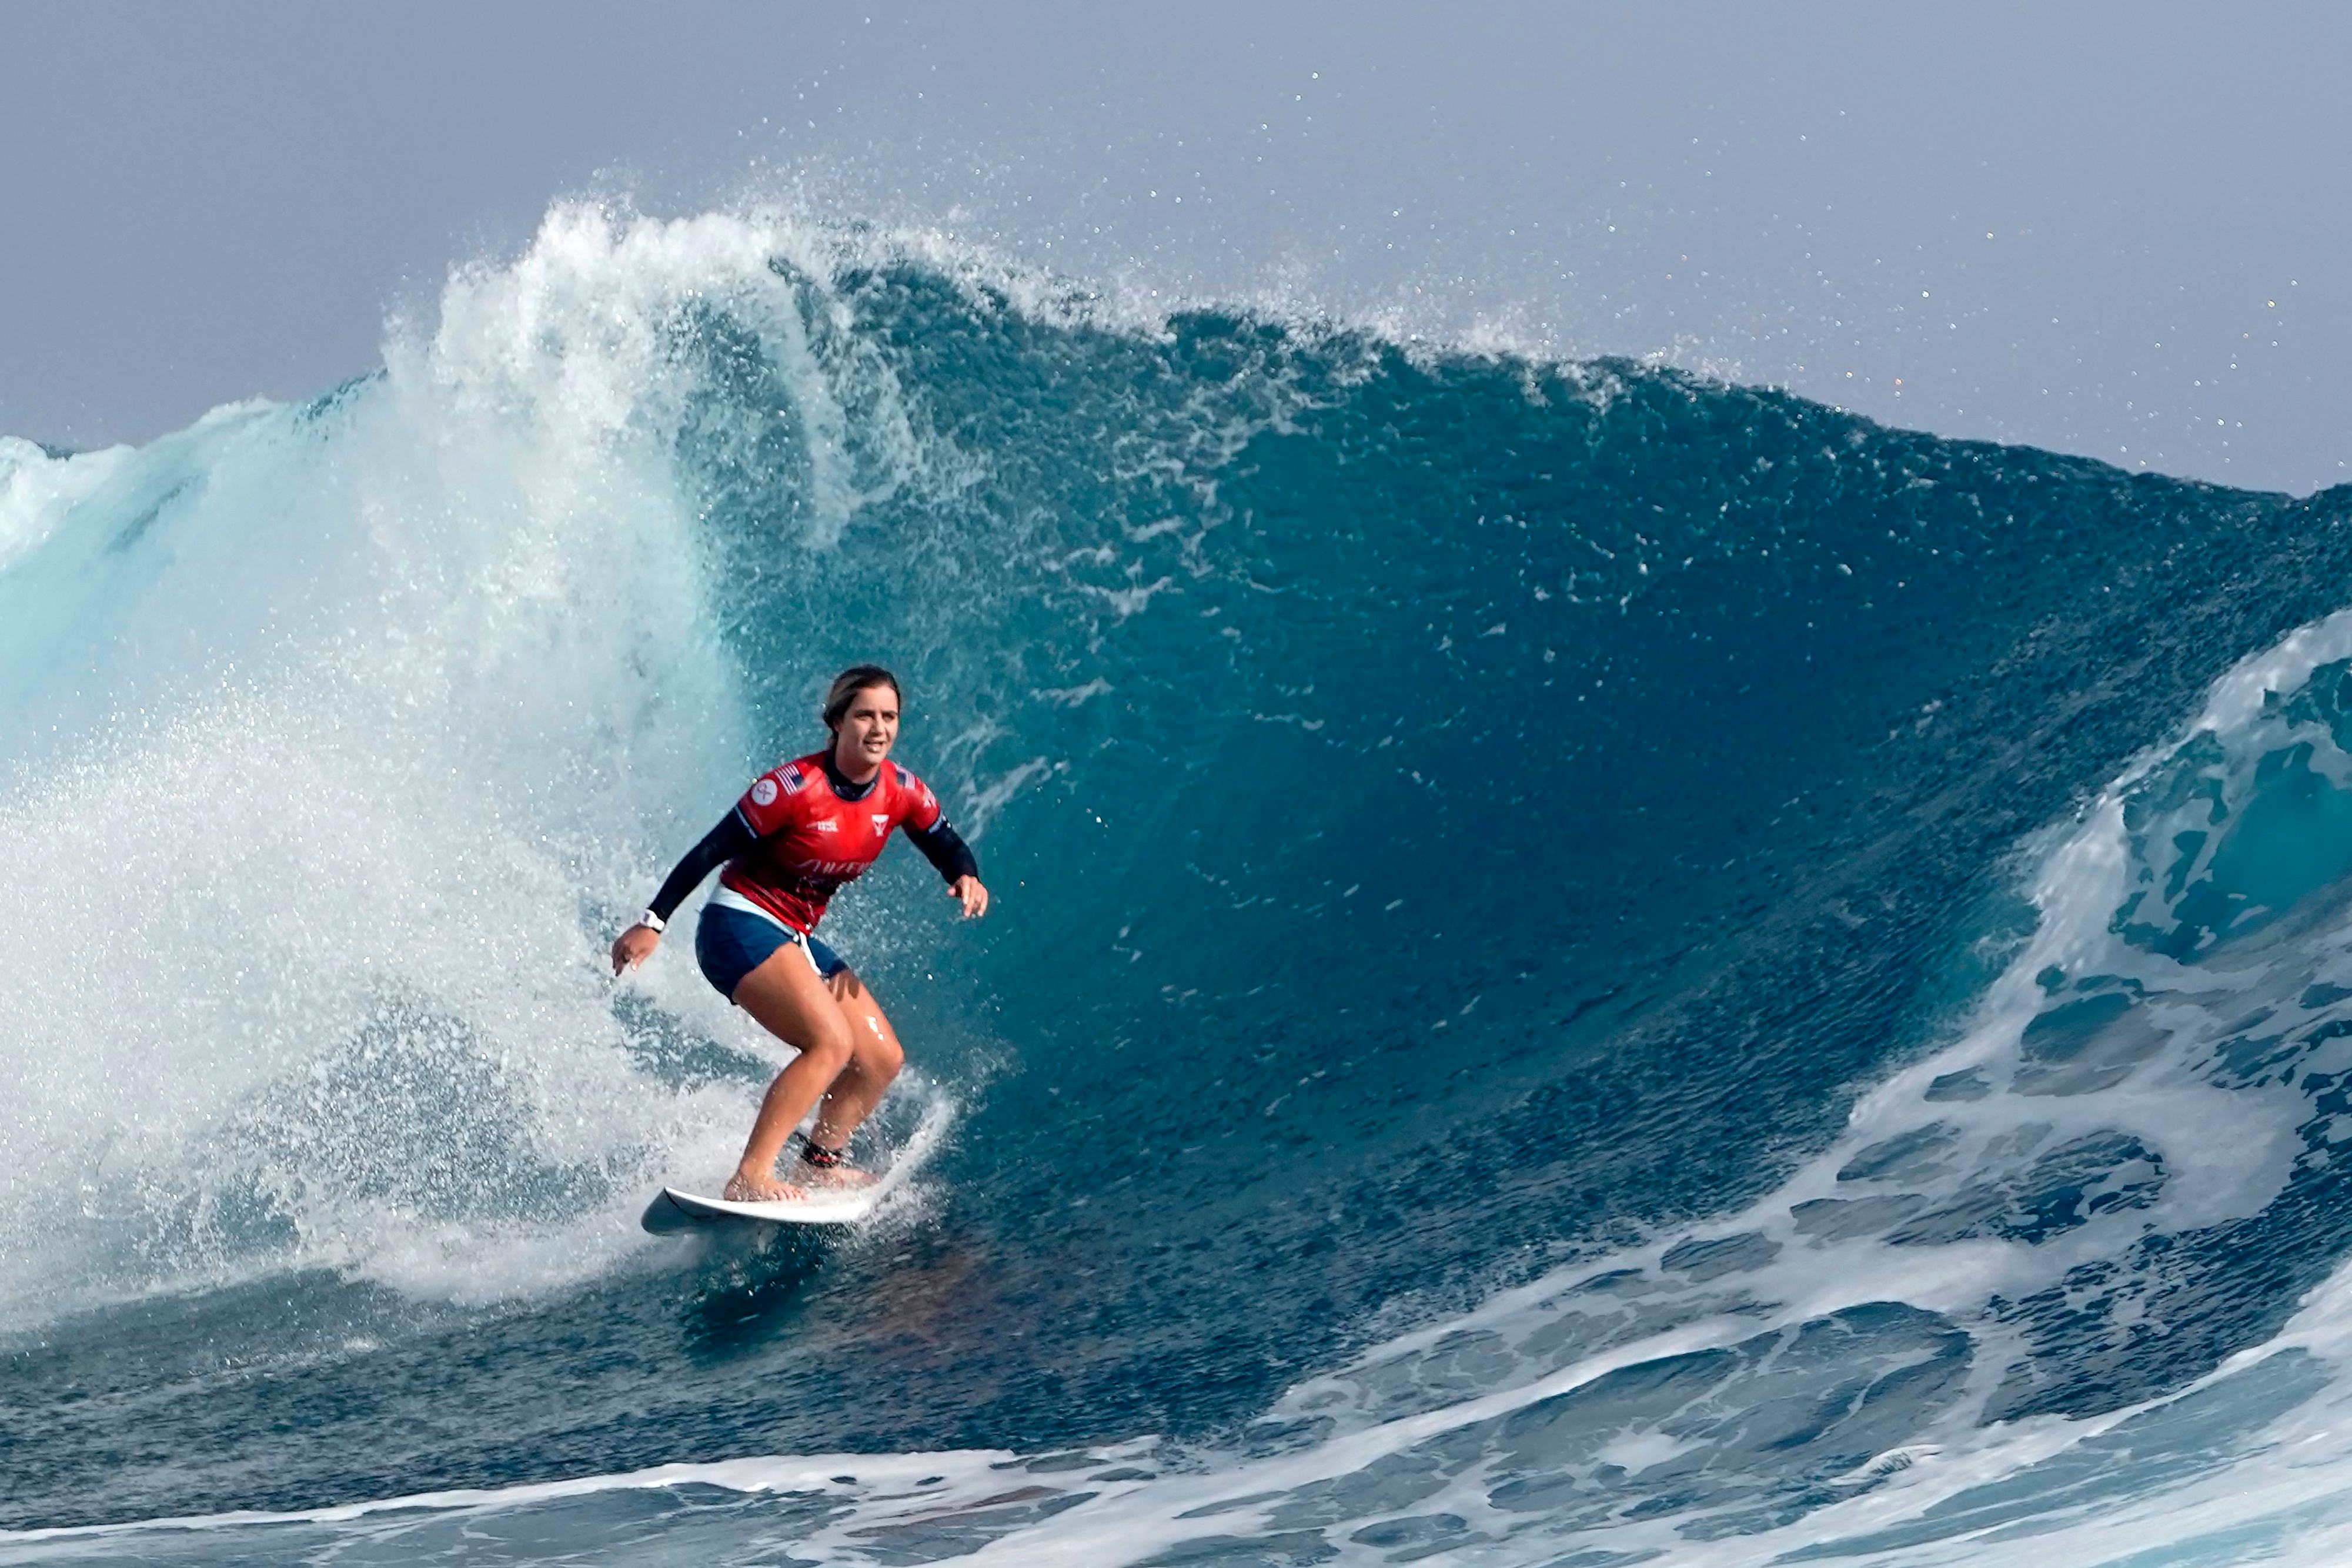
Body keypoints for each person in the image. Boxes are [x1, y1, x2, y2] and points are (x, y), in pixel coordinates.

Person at [610, 665, 989, 1201]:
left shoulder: (901, 790)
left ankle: (820, 1162)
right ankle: (751, 1175)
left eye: (890, 716)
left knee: (881, 1058)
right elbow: (710, 850)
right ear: (837, 721)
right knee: (830, 1042)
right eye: (864, 715)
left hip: (793, 935)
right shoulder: (791, 789)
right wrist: (653, 923)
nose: (878, 728)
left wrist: (964, 874)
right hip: (737, 923)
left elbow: (944, 840)